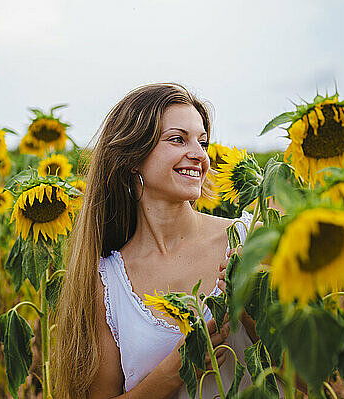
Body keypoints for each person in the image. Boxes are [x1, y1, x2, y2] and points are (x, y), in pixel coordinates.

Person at [53, 83, 257, 398]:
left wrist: (249, 306)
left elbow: (306, 380)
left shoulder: (246, 240)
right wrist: (175, 371)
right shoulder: (109, 282)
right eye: (178, 139)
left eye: (202, 142)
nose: (199, 155)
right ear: (132, 158)